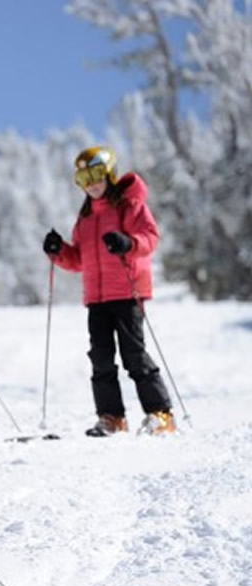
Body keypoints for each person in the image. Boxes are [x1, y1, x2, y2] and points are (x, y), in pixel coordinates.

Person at [42, 146, 175, 437]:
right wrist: (58, 250)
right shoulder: (86, 218)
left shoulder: (130, 206)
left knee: (134, 356)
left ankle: (160, 415)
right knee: (100, 358)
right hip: (96, 299)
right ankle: (112, 417)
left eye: (96, 175)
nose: (91, 184)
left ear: (110, 174)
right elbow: (79, 260)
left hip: (127, 293)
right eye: (83, 178)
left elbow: (149, 238)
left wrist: (128, 243)